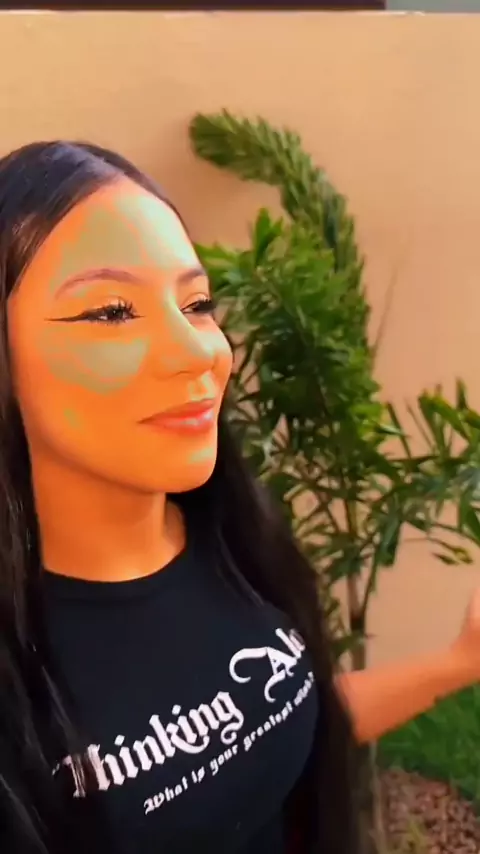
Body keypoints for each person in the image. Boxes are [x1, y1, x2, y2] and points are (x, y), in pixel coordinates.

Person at [0, 140, 478, 854]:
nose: (202, 350)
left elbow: (275, 723)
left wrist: (459, 661)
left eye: (196, 304)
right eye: (111, 312)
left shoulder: (232, 535)